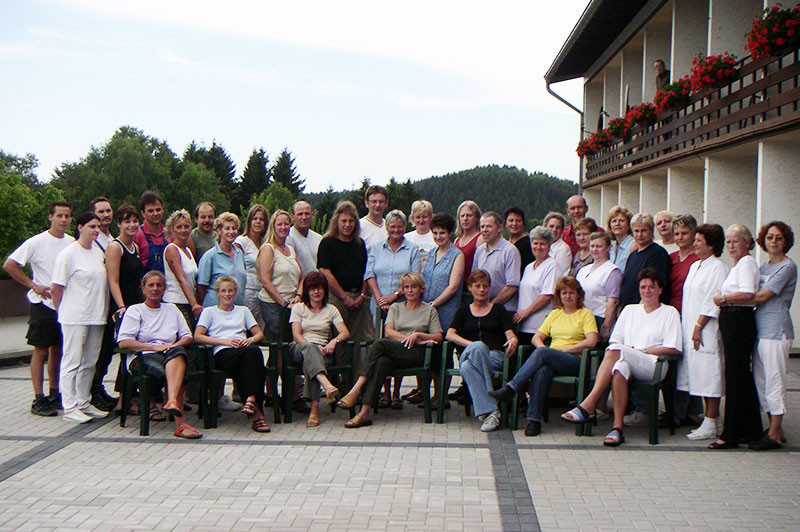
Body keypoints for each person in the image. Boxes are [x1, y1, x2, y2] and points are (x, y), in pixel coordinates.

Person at [561, 268, 682, 447]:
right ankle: (617, 429)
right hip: (626, 359)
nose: (647, 291)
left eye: (651, 287)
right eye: (643, 287)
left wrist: (644, 351)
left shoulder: (669, 312)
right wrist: (628, 351)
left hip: (653, 364)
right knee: (618, 368)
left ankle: (589, 403)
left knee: (617, 352)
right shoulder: (629, 310)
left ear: (660, 290)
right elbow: (614, 341)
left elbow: (674, 349)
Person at [490, 277, 598, 436]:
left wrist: (565, 351)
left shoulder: (585, 314)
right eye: (564, 293)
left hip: (575, 360)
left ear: (578, 295)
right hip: (552, 358)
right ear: (559, 295)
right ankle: (534, 421)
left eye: (571, 292)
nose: (567, 296)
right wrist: (545, 352)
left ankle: (511, 388)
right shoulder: (555, 314)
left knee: (542, 354)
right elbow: (536, 338)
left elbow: (592, 341)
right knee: (541, 372)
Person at [336, 272, 443, 428]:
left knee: (380, 344)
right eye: (406, 287)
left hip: (417, 354)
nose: (410, 290)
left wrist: (418, 335)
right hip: (397, 351)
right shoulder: (396, 307)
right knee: (382, 363)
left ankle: (356, 389)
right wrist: (406, 339)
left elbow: (438, 336)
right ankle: (364, 413)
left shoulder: (429, 310)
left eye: (414, 287)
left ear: (421, 289)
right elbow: (389, 332)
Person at [4, 201, 74, 416]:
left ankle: (55, 393)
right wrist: (33, 285)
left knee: (58, 350)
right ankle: (39, 398)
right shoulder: (37, 242)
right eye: (59, 216)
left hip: (64, 305)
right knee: (40, 349)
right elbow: (10, 264)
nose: (63, 220)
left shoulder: (72, 243)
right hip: (42, 304)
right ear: (50, 217)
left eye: (67, 216)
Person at [117, 271, 201, 439]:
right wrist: (154, 347)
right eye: (151, 285)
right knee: (175, 372)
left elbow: (187, 336)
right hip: (142, 357)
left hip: (169, 353)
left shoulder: (172, 309)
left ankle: (171, 401)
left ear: (164, 289)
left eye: (159, 285)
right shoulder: (135, 310)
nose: (155, 289)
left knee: (178, 354)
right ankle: (180, 422)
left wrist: (171, 346)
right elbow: (124, 342)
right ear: (143, 289)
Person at [50, 212, 110, 423]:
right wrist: (61, 312)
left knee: (90, 361)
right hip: (74, 316)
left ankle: (84, 401)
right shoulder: (68, 254)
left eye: (98, 227)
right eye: (92, 226)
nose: (96, 230)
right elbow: (56, 288)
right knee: (72, 361)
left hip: (97, 314)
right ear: (80, 227)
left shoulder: (97, 251)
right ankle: (69, 406)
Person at [709, 225, 763, 450]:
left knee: (735, 375)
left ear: (747, 243)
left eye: (736, 241)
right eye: (728, 242)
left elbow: (749, 293)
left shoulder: (747, 263)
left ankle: (730, 433)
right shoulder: (739, 265)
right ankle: (750, 429)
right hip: (733, 319)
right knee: (739, 375)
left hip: (738, 319)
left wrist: (724, 299)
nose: (731, 246)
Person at [194, 276, 271, 433]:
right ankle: (255, 409)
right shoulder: (209, 312)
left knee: (252, 354)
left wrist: (249, 340)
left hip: (243, 350)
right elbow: (198, 336)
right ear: (217, 293)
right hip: (222, 352)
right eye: (223, 291)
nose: (227, 294)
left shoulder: (243, 310)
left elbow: (259, 334)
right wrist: (224, 341)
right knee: (254, 357)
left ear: (236, 292)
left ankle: (251, 402)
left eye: (230, 290)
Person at [446, 269, 518, 432]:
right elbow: (450, 334)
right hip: (469, 352)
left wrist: (513, 339)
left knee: (466, 368)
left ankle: (490, 412)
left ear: (489, 288)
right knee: (477, 348)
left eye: (485, 286)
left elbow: (509, 333)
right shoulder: (463, 310)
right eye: (477, 286)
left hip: (495, 355)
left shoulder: (498, 310)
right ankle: (493, 409)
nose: (481, 289)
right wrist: (471, 345)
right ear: (470, 287)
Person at [676, 224, 728, 441]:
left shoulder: (718, 267)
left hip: (706, 329)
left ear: (711, 244)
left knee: (710, 375)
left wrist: (698, 326)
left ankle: (711, 421)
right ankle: (710, 420)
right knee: (698, 375)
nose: (694, 243)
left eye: (699, 240)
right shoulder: (696, 265)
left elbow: (711, 300)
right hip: (690, 327)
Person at [749, 222, 797, 450]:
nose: (774, 241)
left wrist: (730, 298)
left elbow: (762, 296)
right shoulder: (763, 266)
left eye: (779, 237)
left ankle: (775, 434)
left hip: (776, 331)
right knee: (761, 381)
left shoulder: (787, 267)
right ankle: (774, 428)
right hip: (760, 330)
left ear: (786, 241)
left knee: (774, 381)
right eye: (770, 237)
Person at [95, 204, 144, 412]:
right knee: (123, 351)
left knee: (134, 354)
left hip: (136, 305)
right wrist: (121, 306)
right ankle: (120, 399)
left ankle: (129, 396)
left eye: (134, 221)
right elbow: (113, 280)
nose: (132, 225)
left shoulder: (135, 247)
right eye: (127, 221)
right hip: (122, 308)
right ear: (119, 224)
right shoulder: (115, 248)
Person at [288, 272, 350, 427]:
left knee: (314, 361)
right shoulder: (298, 308)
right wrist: (312, 346)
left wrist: (333, 342)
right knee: (311, 351)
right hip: (299, 349)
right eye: (312, 289)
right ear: (307, 291)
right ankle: (327, 385)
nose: (316, 292)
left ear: (325, 290)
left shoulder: (331, 309)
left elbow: (345, 333)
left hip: (322, 352)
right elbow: (296, 335)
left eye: (320, 288)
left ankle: (314, 410)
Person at [422, 213, 464, 406]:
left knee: (444, 354)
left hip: (446, 310)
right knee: (432, 353)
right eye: (435, 233)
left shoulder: (457, 255)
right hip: (429, 311)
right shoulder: (431, 253)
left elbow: (453, 286)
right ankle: (433, 393)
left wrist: (434, 303)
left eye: (442, 233)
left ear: (450, 233)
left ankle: (442, 396)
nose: (438, 237)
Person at [317, 201, 373, 344]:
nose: (347, 224)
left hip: (359, 298)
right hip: (336, 297)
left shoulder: (359, 244)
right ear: (336, 221)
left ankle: (357, 367)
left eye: (351, 221)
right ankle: (341, 367)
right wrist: (344, 298)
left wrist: (362, 295)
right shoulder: (327, 242)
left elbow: (366, 271)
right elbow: (324, 271)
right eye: (344, 221)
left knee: (359, 340)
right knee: (339, 338)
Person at [257, 209, 302, 340]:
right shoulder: (268, 249)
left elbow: (301, 276)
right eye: (279, 224)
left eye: (286, 224)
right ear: (273, 226)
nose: (283, 227)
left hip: (292, 303)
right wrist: (283, 303)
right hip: (273, 304)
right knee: (279, 341)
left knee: (290, 340)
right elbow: (265, 281)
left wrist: (299, 295)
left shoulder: (291, 249)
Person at [365, 210, 422, 313]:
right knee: (377, 329)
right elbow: (369, 274)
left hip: (403, 305)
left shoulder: (413, 249)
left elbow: (415, 277)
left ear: (405, 227)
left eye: (400, 226)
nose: (396, 230)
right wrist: (380, 299)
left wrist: (394, 295)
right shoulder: (376, 248)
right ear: (387, 228)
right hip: (377, 306)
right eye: (393, 226)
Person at [514, 226, 558, 345]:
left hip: (540, 326)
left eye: (542, 244)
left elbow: (547, 296)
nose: (538, 247)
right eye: (535, 243)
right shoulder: (529, 267)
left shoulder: (552, 265)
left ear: (549, 246)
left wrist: (526, 312)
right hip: (524, 324)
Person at [619, 213, 671, 309]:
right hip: (628, 310)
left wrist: (640, 311)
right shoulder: (632, 255)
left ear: (651, 231)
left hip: (645, 311)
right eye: (636, 231)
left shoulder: (658, 253)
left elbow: (654, 286)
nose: (640, 235)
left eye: (644, 230)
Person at [576, 232, 621, 342]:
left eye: (599, 246)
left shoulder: (612, 271)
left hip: (598, 319)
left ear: (608, 248)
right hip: (580, 320)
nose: (595, 249)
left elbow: (613, 301)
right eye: (592, 246)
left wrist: (606, 326)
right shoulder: (583, 270)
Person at [197, 212, 247, 308]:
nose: (231, 232)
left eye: (234, 228)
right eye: (227, 228)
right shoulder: (210, 256)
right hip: (215, 308)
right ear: (219, 231)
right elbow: (201, 286)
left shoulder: (239, 253)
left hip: (237, 308)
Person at [473, 211, 521, 311]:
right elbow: (474, 280)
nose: (485, 230)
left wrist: (491, 305)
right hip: (482, 310)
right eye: (482, 227)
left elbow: (512, 286)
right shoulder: (479, 251)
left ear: (499, 228)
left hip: (504, 310)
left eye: (489, 227)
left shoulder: (510, 251)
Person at [163, 210, 202, 329]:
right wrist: (194, 304)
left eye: (186, 226)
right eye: (179, 227)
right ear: (172, 230)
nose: (183, 230)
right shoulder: (172, 249)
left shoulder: (188, 251)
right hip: (176, 301)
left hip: (188, 301)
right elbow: (181, 279)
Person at [235, 204, 268, 330]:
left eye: (261, 219)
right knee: (247, 327)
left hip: (264, 292)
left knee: (261, 328)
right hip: (247, 291)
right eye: (255, 219)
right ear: (249, 221)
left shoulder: (266, 242)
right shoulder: (241, 241)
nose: (258, 222)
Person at [454, 200, 483, 301]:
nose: (465, 219)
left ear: (476, 218)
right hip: (457, 288)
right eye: (462, 216)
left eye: (469, 215)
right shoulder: (457, 240)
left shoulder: (480, 238)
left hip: (471, 290)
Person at [132, 191, 166, 273]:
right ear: (143, 213)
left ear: (163, 210)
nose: (155, 213)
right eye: (151, 211)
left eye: (158, 210)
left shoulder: (169, 235)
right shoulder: (137, 235)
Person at [286, 200, 322, 276]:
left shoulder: (319, 238)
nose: (304, 217)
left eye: (307, 214)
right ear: (292, 217)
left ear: (312, 215)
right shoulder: (287, 238)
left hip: (317, 285)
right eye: (300, 214)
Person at [404, 200, 436, 267]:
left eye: (424, 217)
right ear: (413, 218)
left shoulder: (437, 237)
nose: (421, 220)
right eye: (418, 217)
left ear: (430, 217)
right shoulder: (406, 238)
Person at [504, 207, 534, 274]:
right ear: (505, 224)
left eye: (518, 221)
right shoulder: (504, 244)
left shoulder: (528, 244)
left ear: (523, 223)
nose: (514, 224)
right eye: (511, 220)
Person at [359, 185, 388, 251]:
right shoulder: (359, 226)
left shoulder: (390, 226)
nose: (378, 205)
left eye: (381, 201)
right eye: (374, 201)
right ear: (366, 203)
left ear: (386, 203)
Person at [607, 205, 636, 270]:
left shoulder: (633, 245)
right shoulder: (612, 248)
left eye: (621, 221)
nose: (617, 224)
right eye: (614, 221)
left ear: (629, 225)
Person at [544, 212, 571, 276]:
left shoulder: (563, 249)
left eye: (558, 228)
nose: (554, 230)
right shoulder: (541, 246)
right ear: (545, 227)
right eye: (551, 226)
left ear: (562, 230)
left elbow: (562, 274)